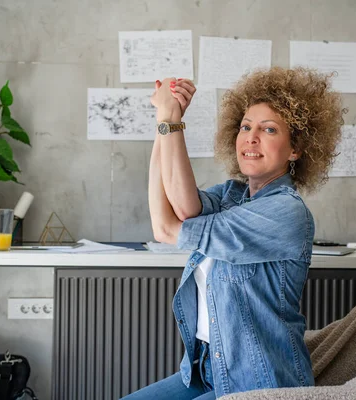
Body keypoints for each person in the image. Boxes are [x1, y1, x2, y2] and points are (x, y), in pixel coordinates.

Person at [122, 67, 344, 400]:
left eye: (269, 129)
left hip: (258, 380)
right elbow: (177, 209)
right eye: (245, 126)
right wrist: (165, 120)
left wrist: (171, 120)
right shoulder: (233, 195)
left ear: (296, 149)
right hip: (206, 369)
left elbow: (167, 229)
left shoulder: (286, 213)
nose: (251, 138)